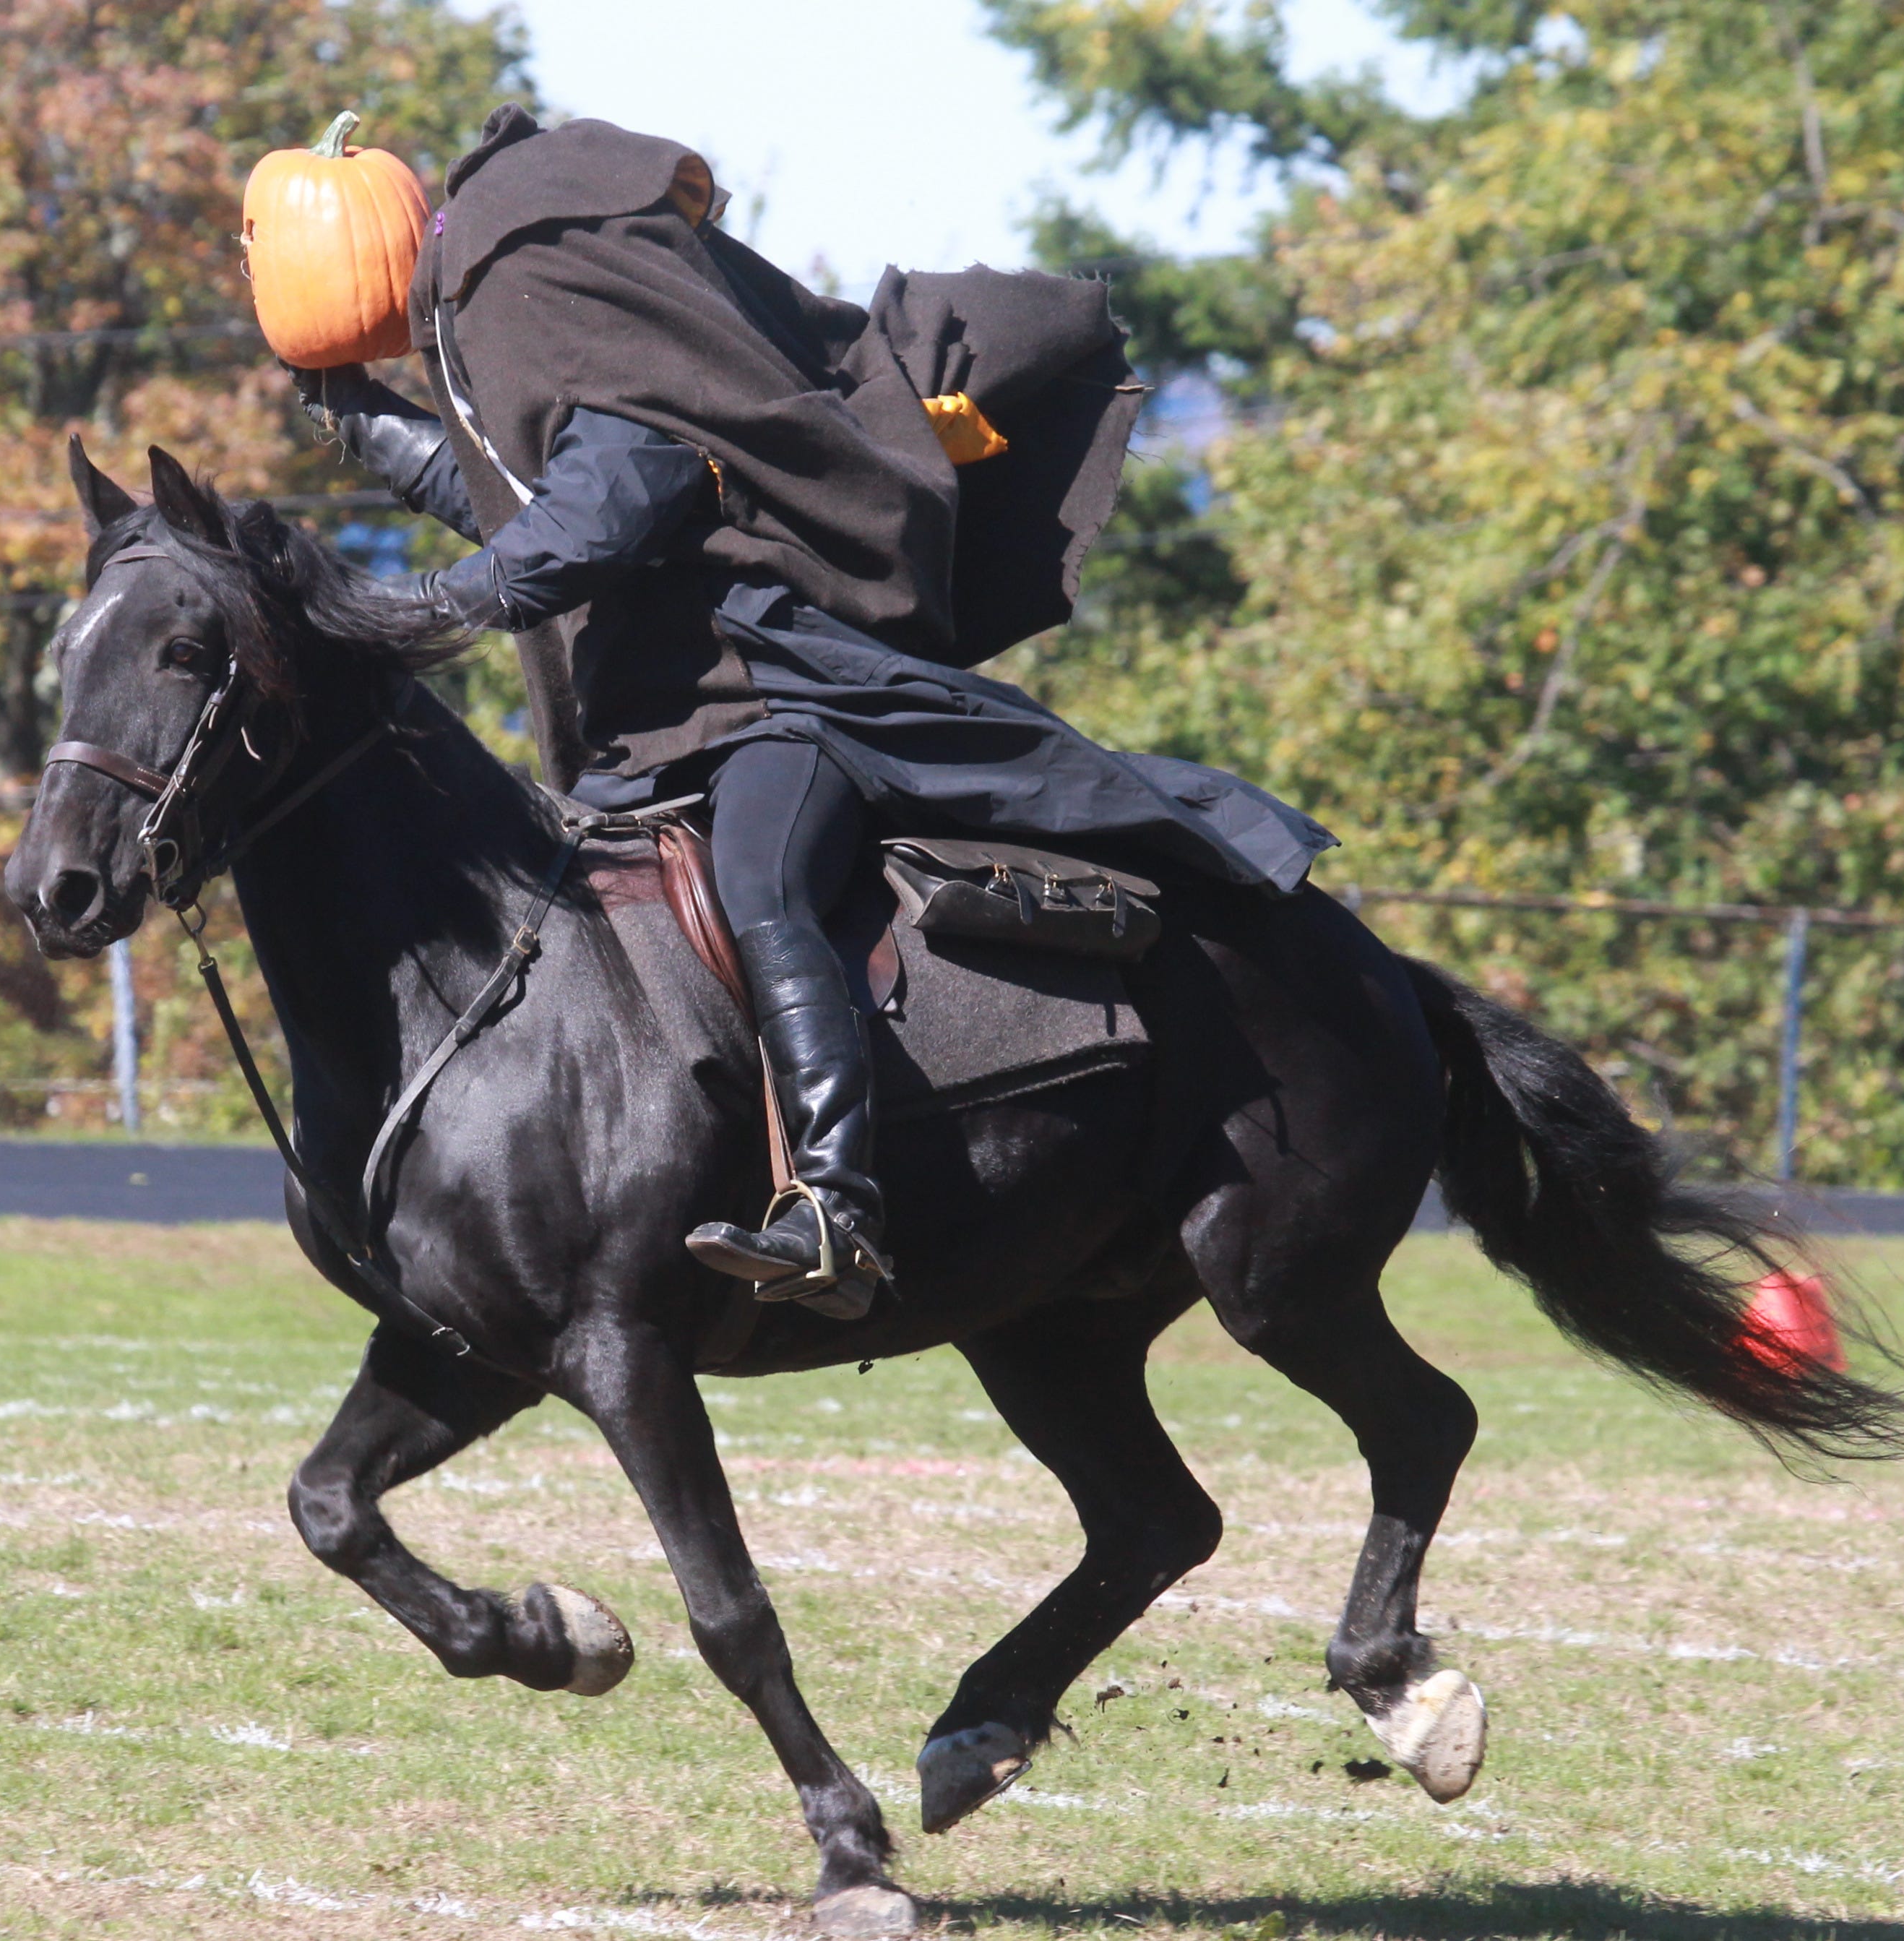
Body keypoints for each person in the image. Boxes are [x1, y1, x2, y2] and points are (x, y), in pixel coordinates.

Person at [289, 106, 1335, 1317]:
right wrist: (362, 424)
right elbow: (533, 514)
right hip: (662, 726)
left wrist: (412, 611)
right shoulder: (556, 337)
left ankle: (837, 1206)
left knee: (761, 880)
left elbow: (595, 522)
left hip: (783, 698)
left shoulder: (599, 345)